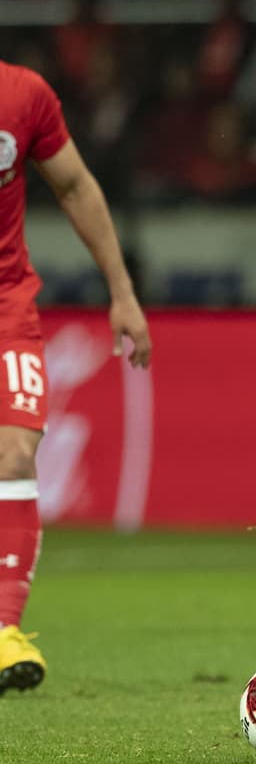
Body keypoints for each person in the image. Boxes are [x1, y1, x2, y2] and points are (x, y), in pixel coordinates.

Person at [0, 59, 152, 694]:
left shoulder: (24, 94)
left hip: (6, 305)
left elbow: (75, 187)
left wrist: (121, 292)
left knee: (16, 451)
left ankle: (3, 631)